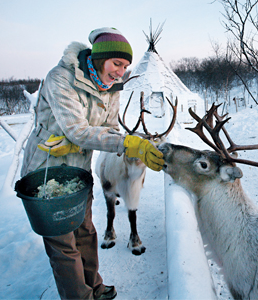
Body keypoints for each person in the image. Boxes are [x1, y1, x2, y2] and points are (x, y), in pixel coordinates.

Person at [21, 27, 164, 300]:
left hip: (78, 173)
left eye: (125, 66)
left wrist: (119, 142)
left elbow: (108, 130)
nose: (120, 71)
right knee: (64, 245)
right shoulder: (61, 78)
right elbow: (77, 129)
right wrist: (126, 143)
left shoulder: (111, 88)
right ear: (100, 59)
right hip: (45, 175)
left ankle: (94, 287)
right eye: (116, 63)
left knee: (85, 232)